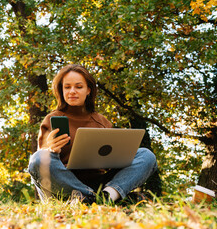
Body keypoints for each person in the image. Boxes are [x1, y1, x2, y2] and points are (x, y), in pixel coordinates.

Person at [28, 64, 158, 204]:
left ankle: (103, 197)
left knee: (146, 155)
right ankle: (97, 198)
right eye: (67, 87)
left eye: (78, 87)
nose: (72, 91)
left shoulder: (102, 121)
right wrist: (51, 151)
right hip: (64, 187)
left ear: (88, 90)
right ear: (61, 90)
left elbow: (113, 162)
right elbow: (41, 165)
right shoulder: (51, 120)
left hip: (99, 183)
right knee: (38, 158)